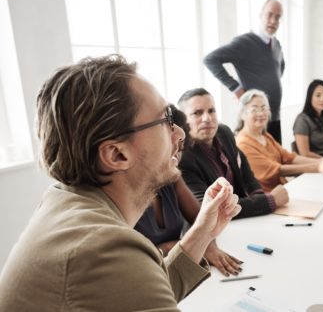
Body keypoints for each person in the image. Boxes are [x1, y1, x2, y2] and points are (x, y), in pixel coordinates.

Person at [0, 55, 241, 311]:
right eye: (165, 121)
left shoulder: (65, 202)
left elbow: (141, 294)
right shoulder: (101, 248)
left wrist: (202, 231)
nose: (180, 132)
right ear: (117, 154)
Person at [135, 104, 243, 277]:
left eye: (182, 148)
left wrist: (209, 246)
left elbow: (200, 219)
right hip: (148, 277)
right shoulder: (126, 191)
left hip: (174, 272)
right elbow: (133, 259)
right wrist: (179, 245)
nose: (177, 155)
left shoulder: (172, 177)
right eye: (173, 144)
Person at [177, 88, 289, 219]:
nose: (207, 118)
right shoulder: (182, 157)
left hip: (241, 220)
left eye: (211, 111)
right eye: (197, 113)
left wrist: (258, 195)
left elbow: (246, 172)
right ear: (184, 121)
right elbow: (209, 209)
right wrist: (268, 201)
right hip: (211, 233)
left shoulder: (223, 133)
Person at [204, 0, 285, 143]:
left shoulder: (277, 45)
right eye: (269, 15)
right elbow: (211, 60)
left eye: (278, 17)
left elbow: (279, 69)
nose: (273, 21)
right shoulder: (244, 43)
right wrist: (236, 88)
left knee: (278, 160)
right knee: (258, 164)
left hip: (274, 117)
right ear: (260, 15)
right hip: (255, 118)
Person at [235, 89, 323, 192]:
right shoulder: (243, 143)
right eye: (254, 109)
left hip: (284, 190)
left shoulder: (265, 136)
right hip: (267, 199)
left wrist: (322, 161)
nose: (261, 113)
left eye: (264, 108)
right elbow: (278, 170)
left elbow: (290, 158)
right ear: (243, 114)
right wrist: (317, 167)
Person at [293, 79, 323, 157]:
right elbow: (305, 154)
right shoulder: (302, 120)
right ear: (310, 97)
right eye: (318, 95)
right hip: (314, 164)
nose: (322, 99)